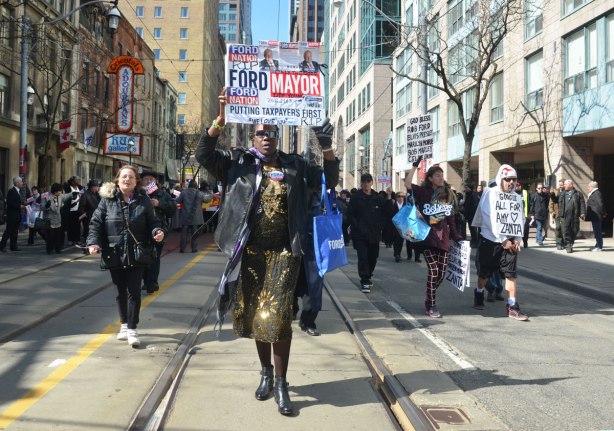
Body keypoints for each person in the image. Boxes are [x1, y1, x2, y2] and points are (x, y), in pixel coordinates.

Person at [196, 88, 339, 416]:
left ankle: (281, 383)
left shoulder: (296, 166)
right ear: (253, 135)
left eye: (272, 133)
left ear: (278, 136)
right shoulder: (237, 163)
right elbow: (204, 155)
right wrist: (219, 119)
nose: (267, 138)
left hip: (286, 254)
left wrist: (327, 145)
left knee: (277, 319)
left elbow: (328, 179)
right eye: (261, 133)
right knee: (255, 317)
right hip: (249, 253)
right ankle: (264, 372)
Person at [87, 166, 165, 347]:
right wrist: (93, 242)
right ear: (117, 180)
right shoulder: (107, 200)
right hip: (114, 252)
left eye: (131, 177)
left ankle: (132, 329)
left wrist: (158, 231)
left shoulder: (143, 200)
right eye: (124, 177)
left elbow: (154, 222)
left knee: (134, 292)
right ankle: (123, 324)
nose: (127, 179)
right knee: (120, 292)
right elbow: (96, 223)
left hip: (137, 253)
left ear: (136, 181)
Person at [405, 158, 462, 318]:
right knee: (434, 270)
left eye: (441, 176)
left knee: (441, 273)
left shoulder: (446, 194)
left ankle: (429, 294)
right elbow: (408, 184)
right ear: (430, 178)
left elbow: (450, 217)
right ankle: (431, 305)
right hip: (427, 237)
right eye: (437, 175)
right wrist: (415, 166)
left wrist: (457, 236)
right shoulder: (423, 192)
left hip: (443, 238)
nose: (440, 178)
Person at [471, 164, 528, 321]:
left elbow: (519, 218)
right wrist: (502, 240)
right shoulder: (490, 194)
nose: (511, 182)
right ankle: (479, 292)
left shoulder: (516, 197)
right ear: (501, 179)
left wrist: (517, 238)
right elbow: (489, 218)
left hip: (509, 243)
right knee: (484, 273)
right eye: (508, 179)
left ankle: (512, 306)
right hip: (490, 241)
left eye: (514, 180)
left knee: (511, 274)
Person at [347, 173, 393, 293]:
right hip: (360, 234)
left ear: (372, 183)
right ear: (361, 183)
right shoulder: (356, 198)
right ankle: (365, 280)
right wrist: (357, 225)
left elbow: (388, 211)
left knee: (373, 257)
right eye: (364, 182)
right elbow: (349, 214)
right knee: (363, 257)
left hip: (374, 234)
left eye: (368, 182)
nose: (366, 184)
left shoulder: (378, 198)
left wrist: (389, 196)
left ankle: (368, 275)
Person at [141, 172, 176, 292]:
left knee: (155, 257)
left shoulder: (163, 194)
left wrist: (159, 204)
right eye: (145, 179)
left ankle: (152, 282)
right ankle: (146, 281)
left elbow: (172, 210)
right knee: (142, 256)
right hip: (141, 231)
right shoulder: (139, 194)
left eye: (150, 179)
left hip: (158, 230)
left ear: (155, 181)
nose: (148, 182)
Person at [174, 179, 212, 253]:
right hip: (195, 217)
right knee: (194, 234)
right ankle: (193, 249)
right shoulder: (199, 193)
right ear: (196, 186)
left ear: (189, 185)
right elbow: (207, 199)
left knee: (184, 234)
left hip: (185, 216)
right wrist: (211, 193)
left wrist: (170, 199)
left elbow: (177, 201)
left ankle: (182, 249)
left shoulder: (184, 192)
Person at [558, 179, 586, 253]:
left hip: (574, 216)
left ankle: (571, 243)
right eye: (564, 184)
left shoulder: (578, 194)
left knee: (574, 230)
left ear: (571, 185)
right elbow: (555, 200)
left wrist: (583, 213)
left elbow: (582, 204)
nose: (564, 186)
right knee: (566, 231)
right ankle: (568, 245)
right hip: (564, 216)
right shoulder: (562, 194)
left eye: (566, 184)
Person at [44, 183, 73, 254]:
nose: (60, 192)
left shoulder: (60, 197)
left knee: (58, 236)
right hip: (50, 220)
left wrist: (74, 193)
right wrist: (46, 206)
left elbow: (67, 196)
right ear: (55, 191)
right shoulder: (48, 197)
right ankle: (49, 249)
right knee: (50, 236)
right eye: (59, 191)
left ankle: (58, 249)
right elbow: (43, 208)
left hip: (58, 220)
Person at [0, 176, 25, 252]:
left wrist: (23, 203)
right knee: (8, 231)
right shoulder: (12, 191)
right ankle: (1, 246)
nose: (22, 183)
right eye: (21, 182)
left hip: (17, 215)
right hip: (12, 215)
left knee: (15, 232)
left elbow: (16, 201)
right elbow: (9, 203)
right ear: (17, 183)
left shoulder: (19, 191)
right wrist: (19, 206)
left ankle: (13, 246)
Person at [79, 179, 102, 252]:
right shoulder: (85, 195)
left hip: (96, 216)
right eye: (96, 187)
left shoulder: (97, 195)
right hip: (88, 217)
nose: (98, 188)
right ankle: (86, 248)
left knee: (96, 232)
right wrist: (83, 215)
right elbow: (81, 207)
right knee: (87, 232)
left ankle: (94, 247)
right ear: (92, 187)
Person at [63, 176, 83, 246]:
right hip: (70, 209)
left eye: (79, 180)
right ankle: (70, 239)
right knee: (70, 225)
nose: (78, 181)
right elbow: (65, 198)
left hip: (78, 210)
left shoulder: (80, 188)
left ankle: (77, 239)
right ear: (72, 181)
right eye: (77, 180)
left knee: (77, 225)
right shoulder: (67, 188)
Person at [586, 181, 606, 252]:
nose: (588, 188)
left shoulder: (596, 193)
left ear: (592, 187)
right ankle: (597, 244)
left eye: (588, 187)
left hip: (597, 216)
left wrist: (602, 213)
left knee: (597, 231)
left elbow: (600, 204)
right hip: (595, 216)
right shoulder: (594, 193)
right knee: (596, 231)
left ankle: (599, 247)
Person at [463, 182, 480, 248]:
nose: (466, 189)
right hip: (469, 215)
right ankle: (473, 241)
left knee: (473, 229)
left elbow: (474, 206)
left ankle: (475, 242)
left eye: (467, 187)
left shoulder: (473, 195)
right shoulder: (468, 194)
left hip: (472, 216)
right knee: (471, 229)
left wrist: (469, 213)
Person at [550, 179, 565, 250]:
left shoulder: (568, 192)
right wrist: (551, 211)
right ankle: (558, 243)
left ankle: (564, 243)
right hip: (557, 213)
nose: (560, 186)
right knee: (558, 228)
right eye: (560, 185)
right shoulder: (556, 191)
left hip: (566, 214)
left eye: (562, 185)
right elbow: (551, 202)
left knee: (564, 229)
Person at [516, 182, 530, 248]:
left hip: (525, 214)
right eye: (516, 185)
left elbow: (529, 203)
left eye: (518, 185)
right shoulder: (512, 193)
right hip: (515, 215)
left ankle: (525, 241)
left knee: (525, 229)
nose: (517, 187)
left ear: (521, 186)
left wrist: (530, 213)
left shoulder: (525, 193)